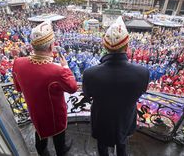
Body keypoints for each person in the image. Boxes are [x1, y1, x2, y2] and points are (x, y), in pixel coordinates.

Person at [82, 17, 150, 156]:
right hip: (125, 118)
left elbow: (87, 94)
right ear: (126, 47)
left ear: (105, 47)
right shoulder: (142, 73)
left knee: (102, 145)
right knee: (122, 142)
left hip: (101, 118)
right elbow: (141, 91)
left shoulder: (90, 73)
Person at [12, 21, 78, 156]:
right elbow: (72, 88)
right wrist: (65, 67)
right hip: (54, 114)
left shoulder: (18, 62)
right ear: (51, 46)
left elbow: (18, 88)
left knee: (40, 135)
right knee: (59, 141)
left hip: (35, 112)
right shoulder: (57, 70)